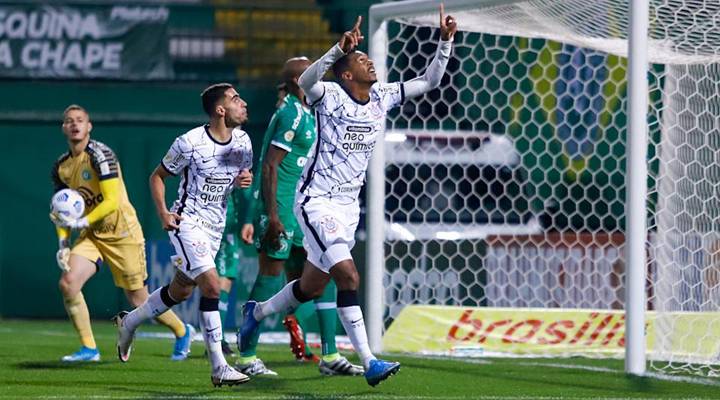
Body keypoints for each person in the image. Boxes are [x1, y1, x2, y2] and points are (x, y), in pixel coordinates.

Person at [238, 6, 457, 387]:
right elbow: (307, 79)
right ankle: (369, 361)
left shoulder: (383, 95)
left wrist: (445, 42)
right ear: (346, 73)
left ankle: (255, 314)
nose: (370, 62)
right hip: (317, 202)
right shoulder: (330, 95)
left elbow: (429, 80)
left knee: (311, 286)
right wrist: (338, 50)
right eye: (361, 59)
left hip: (348, 207)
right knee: (348, 275)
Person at [114, 83, 254, 387]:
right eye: (235, 99)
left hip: (215, 226)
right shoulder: (189, 142)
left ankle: (130, 321)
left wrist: (242, 180)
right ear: (220, 110)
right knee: (212, 286)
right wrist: (164, 213)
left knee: (181, 291)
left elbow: (240, 176)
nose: (243, 103)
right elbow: (157, 176)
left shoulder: (243, 141)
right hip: (187, 222)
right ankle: (219, 367)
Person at [236, 57, 363, 377]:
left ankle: (330, 354)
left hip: (305, 208)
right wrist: (272, 216)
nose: (319, 75)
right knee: (270, 275)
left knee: (320, 275)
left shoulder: (310, 111)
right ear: (297, 80)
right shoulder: (290, 113)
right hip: (281, 208)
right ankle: (246, 357)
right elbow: (270, 165)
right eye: (311, 71)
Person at [50, 105, 193, 363]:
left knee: (139, 299)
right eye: (69, 121)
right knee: (68, 283)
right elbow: (61, 211)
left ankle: (182, 331)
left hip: (122, 233)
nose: (74, 124)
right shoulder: (62, 167)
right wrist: (63, 242)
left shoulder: (100, 154)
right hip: (92, 235)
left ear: (89, 126)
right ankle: (89, 349)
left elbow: (112, 201)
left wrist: (83, 220)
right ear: (63, 128)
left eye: (80, 120)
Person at [213, 187, 245, 356]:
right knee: (221, 281)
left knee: (220, 281)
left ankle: (216, 338)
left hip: (216, 217)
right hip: (223, 218)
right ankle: (217, 340)